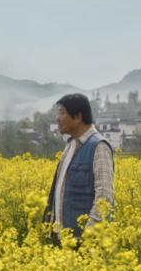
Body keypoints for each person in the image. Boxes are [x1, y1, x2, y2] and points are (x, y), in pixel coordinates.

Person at [44, 93, 114, 246]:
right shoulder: (70, 145)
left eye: (62, 112)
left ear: (77, 116)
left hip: (83, 244)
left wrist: (88, 237)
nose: (57, 118)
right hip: (63, 241)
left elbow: (105, 197)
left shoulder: (99, 147)